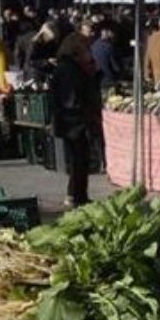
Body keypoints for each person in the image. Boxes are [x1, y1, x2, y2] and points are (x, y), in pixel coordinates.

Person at [48, 32, 102, 207]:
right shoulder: (69, 70)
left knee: (79, 159)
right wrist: (82, 115)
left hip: (70, 120)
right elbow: (71, 96)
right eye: (87, 48)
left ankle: (77, 194)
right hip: (73, 121)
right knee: (79, 159)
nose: (90, 52)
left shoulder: (69, 67)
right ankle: (76, 195)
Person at [91, 23, 121, 88]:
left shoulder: (94, 44)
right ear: (108, 32)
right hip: (108, 78)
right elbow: (116, 67)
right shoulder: (109, 47)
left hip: (98, 77)